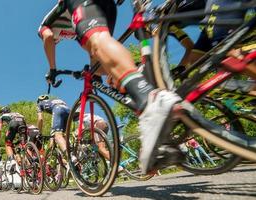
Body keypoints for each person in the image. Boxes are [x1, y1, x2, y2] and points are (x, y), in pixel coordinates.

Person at [39, 0, 182, 173]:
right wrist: (95, 73)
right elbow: (95, 56)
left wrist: (52, 70)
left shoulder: (49, 25)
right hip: (105, 9)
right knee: (105, 62)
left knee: (99, 43)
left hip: (82, 4)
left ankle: (147, 97)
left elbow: (47, 37)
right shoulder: (74, 32)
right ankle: (144, 79)